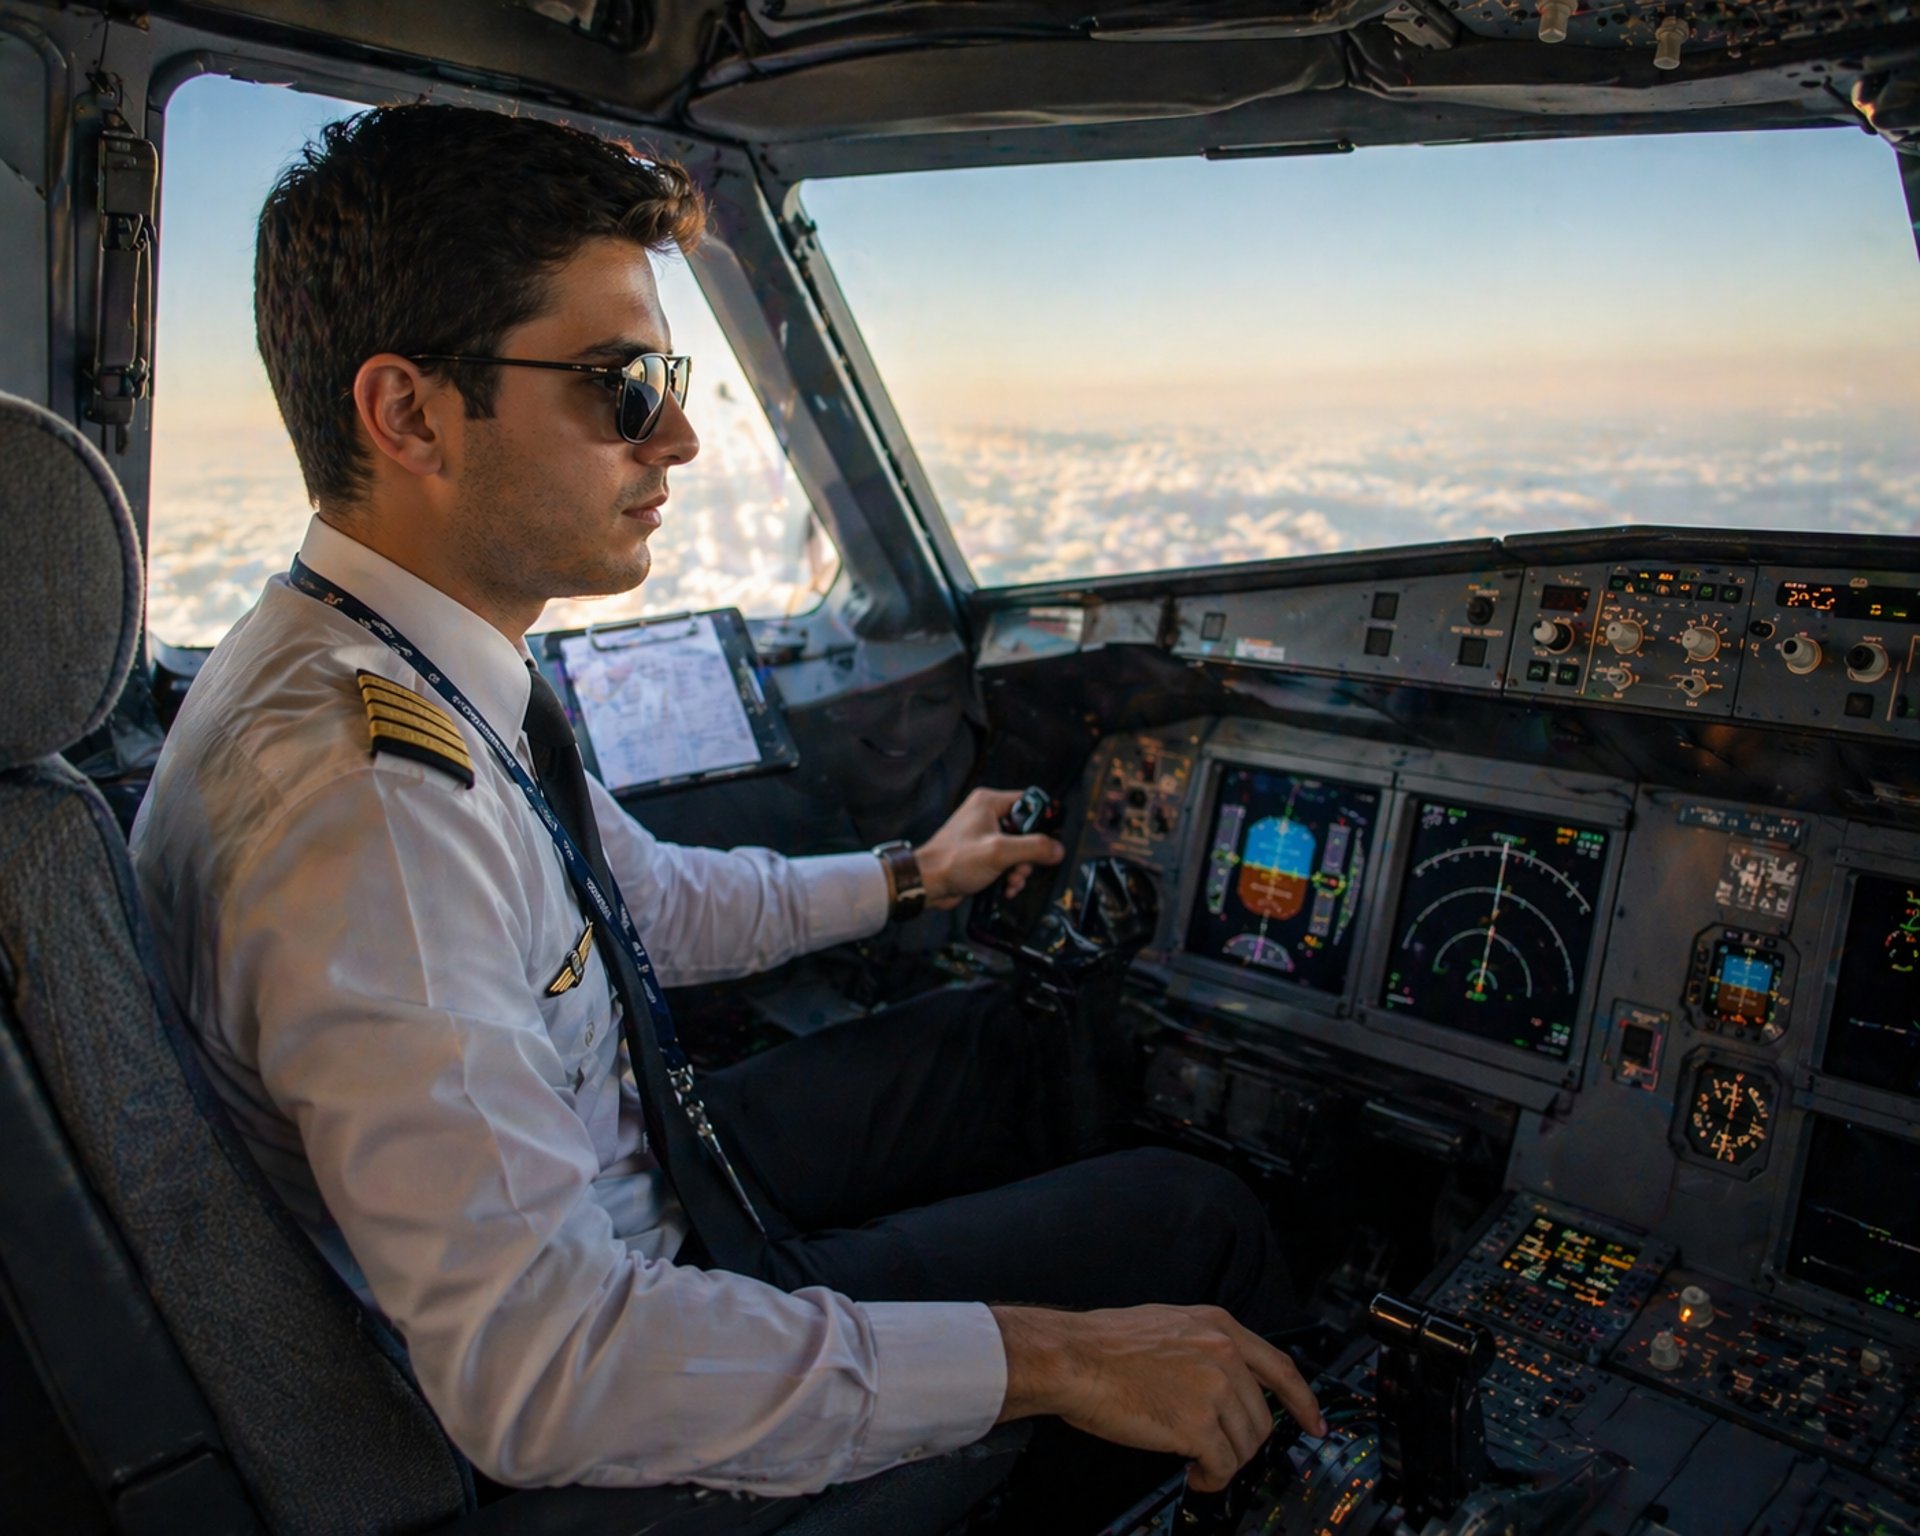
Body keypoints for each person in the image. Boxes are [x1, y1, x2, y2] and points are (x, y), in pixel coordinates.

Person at [130, 103, 1322, 1526]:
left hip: (631, 1189)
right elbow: (552, 1371)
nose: (681, 435)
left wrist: (914, 876)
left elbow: (645, 904)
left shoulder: (387, 655)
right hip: (609, 1375)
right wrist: (1054, 1359)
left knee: (1007, 1037)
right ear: (409, 415)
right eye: (625, 383)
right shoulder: (372, 812)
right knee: (1194, 1230)